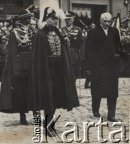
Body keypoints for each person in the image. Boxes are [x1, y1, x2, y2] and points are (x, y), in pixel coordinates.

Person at [31, 7, 79, 136]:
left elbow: (63, 51)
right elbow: (38, 57)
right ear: (47, 19)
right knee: (47, 99)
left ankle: (49, 124)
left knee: (56, 98)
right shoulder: (40, 34)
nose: (55, 21)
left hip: (58, 71)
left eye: (56, 19)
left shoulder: (58, 32)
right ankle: (49, 127)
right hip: (46, 71)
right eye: (53, 19)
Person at [85, 12, 124, 122]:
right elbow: (88, 50)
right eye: (105, 21)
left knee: (112, 91)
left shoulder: (114, 31)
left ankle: (111, 114)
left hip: (111, 66)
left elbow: (118, 46)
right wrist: (89, 67)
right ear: (100, 21)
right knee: (97, 89)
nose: (107, 23)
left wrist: (118, 55)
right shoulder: (93, 32)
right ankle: (95, 110)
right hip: (98, 66)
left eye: (109, 21)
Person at [0, 9, 34, 125]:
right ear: (23, 19)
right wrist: (16, 68)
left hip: (32, 63)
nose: (30, 20)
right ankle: (22, 115)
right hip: (21, 64)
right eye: (28, 18)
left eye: (30, 17)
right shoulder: (15, 33)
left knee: (34, 90)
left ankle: (36, 114)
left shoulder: (32, 31)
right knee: (21, 91)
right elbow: (12, 52)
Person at [61, 11, 83, 79]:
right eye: (66, 19)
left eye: (69, 19)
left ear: (73, 20)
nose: (67, 21)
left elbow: (81, 42)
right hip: (64, 52)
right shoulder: (61, 30)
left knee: (74, 71)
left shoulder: (78, 29)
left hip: (74, 52)